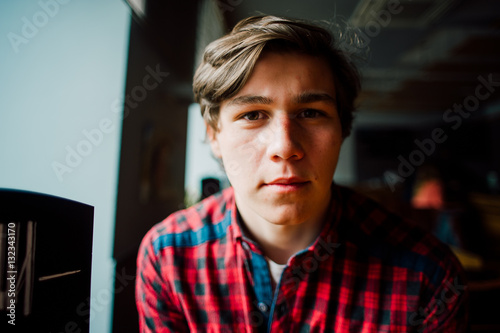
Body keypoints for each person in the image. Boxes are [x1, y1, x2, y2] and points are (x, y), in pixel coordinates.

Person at [136, 15, 468, 332]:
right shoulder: (168, 257)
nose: (285, 145)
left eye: (310, 113)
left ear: (343, 129)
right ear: (213, 134)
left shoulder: (428, 275)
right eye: (252, 114)